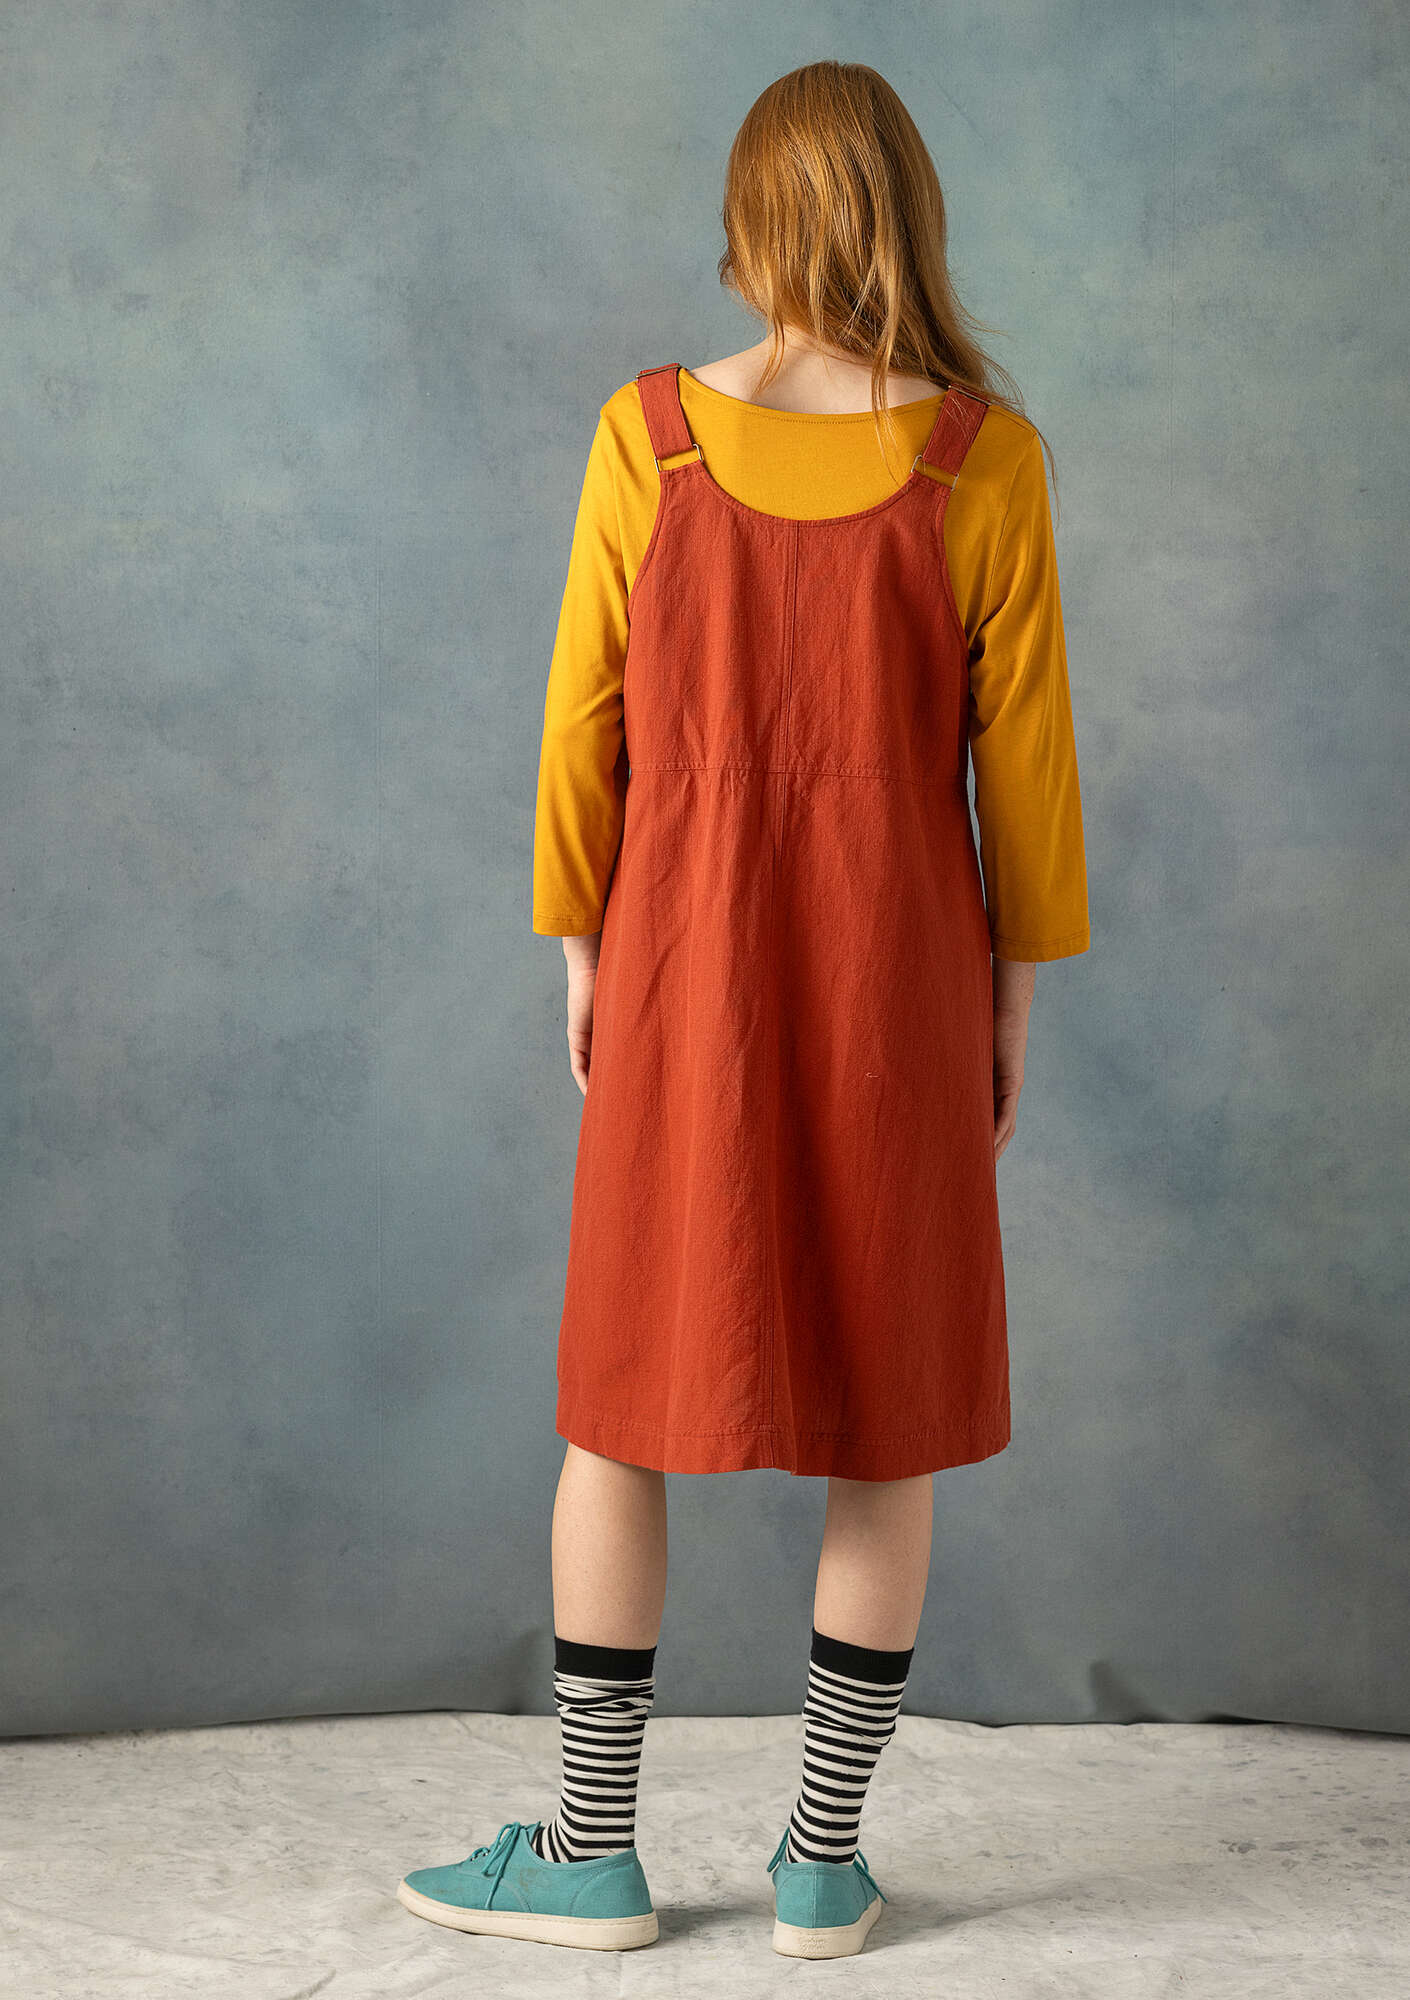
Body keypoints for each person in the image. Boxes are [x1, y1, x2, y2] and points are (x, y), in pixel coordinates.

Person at [397, 58, 1089, 1961]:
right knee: (889, 1415)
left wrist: (582, 951)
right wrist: (1008, 999)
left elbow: (581, 721)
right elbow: (1027, 774)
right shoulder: (984, 459)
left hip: (681, 964)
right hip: (901, 978)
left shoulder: (650, 436)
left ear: (748, 220)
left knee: (620, 1405)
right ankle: (819, 1863)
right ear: (910, 217)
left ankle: (589, 1849)